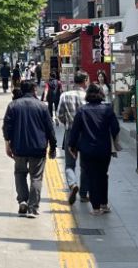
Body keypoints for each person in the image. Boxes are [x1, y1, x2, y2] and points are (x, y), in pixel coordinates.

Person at [3, 80, 57, 217]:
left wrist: (7, 144)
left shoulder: (13, 105)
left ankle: (22, 200)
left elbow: (7, 127)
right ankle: (33, 208)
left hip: (19, 147)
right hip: (38, 147)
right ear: (34, 89)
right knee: (36, 177)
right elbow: (50, 129)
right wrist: (53, 146)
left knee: (20, 173)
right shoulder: (42, 106)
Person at [68, 84, 120, 216]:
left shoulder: (82, 110)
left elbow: (75, 131)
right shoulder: (107, 109)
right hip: (104, 149)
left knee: (91, 176)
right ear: (101, 94)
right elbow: (115, 128)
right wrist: (111, 137)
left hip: (87, 149)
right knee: (103, 175)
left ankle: (96, 208)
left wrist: (71, 146)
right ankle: (104, 204)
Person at [57, 72, 89, 204]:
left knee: (70, 164)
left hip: (70, 133)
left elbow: (59, 115)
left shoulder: (65, 95)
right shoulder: (88, 96)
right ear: (85, 80)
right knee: (85, 165)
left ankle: (73, 184)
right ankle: (83, 194)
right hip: (86, 134)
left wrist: (68, 123)